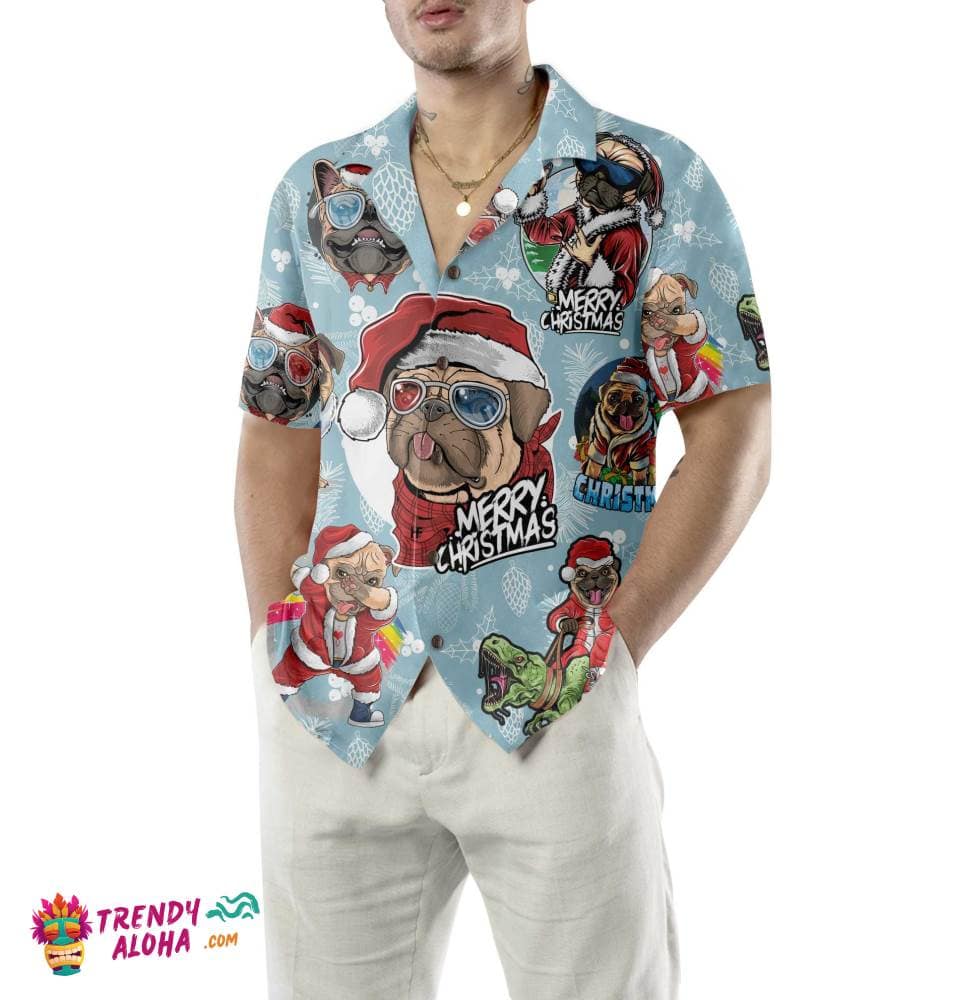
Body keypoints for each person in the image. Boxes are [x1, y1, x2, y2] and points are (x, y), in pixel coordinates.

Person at [234, 2, 771, 997]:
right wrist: (279, 633)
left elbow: (733, 424)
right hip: (339, 706)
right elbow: (275, 431)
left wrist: (616, 645)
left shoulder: (651, 183)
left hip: (554, 697)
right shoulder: (320, 191)